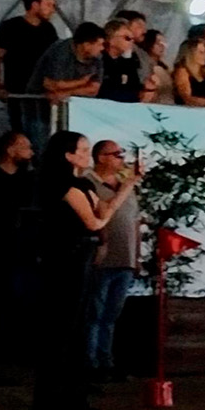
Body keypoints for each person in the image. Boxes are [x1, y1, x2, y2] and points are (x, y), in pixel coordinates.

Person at [32, 131, 140, 410]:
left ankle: (72, 392)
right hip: (65, 258)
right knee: (64, 325)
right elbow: (95, 221)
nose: (86, 154)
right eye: (82, 150)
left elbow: (104, 209)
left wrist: (127, 186)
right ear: (68, 155)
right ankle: (52, 396)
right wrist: (108, 213)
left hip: (82, 257)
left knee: (77, 325)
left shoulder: (81, 183)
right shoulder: (62, 185)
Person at [85, 139, 141, 382]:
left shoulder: (127, 186)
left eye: (121, 154)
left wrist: (137, 256)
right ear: (101, 157)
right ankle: (90, 364)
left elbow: (135, 222)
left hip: (125, 259)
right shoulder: (88, 183)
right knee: (94, 314)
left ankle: (106, 361)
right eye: (116, 154)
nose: (121, 158)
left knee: (111, 315)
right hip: (101, 260)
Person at [0, 131, 36, 385]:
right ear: (10, 149)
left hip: (23, 251)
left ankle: (11, 358)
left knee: (16, 304)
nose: (31, 151)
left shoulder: (29, 179)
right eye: (25, 146)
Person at [0, 0, 60, 135]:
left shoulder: (49, 29)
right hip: (17, 92)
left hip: (41, 93)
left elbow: (55, 60)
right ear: (35, 5)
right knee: (20, 133)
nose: (52, 10)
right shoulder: (10, 26)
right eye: (48, 5)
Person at [33, 21, 106, 109]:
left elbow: (93, 89)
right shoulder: (60, 52)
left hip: (76, 106)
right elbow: (51, 85)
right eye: (99, 44)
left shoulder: (97, 58)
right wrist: (82, 82)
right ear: (86, 45)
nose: (102, 48)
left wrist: (67, 92)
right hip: (40, 104)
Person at [96, 20, 143, 103]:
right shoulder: (99, 59)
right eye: (127, 38)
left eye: (132, 39)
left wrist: (128, 60)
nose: (131, 42)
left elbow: (135, 88)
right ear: (111, 39)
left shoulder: (130, 60)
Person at [138, 30, 174, 104]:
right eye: (158, 43)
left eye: (163, 43)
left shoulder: (165, 67)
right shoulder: (144, 66)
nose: (162, 46)